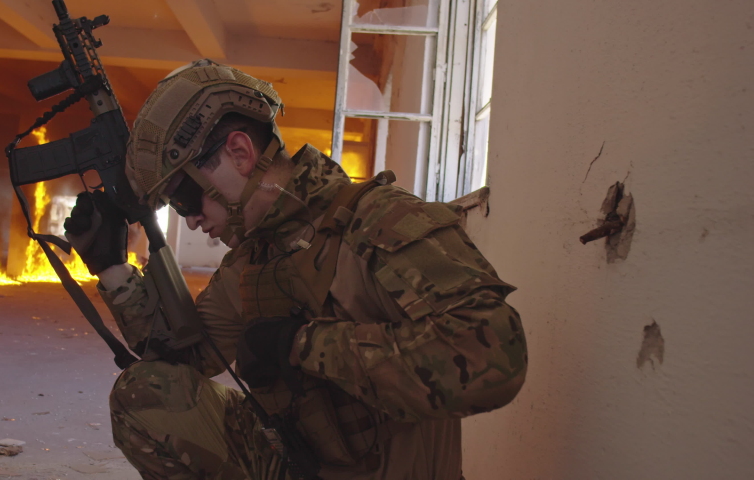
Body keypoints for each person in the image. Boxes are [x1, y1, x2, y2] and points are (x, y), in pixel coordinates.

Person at [64, 59, 527, 480]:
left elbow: (491, 357)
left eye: (186, 197)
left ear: (240, 153)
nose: (190, 219)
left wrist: (301, 344)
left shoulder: (381, 220)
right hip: (298, 460)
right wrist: (111, 268)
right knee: (144, 392)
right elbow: (182, 358)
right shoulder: (252, 259)